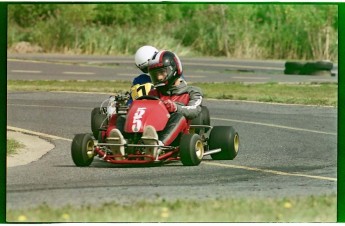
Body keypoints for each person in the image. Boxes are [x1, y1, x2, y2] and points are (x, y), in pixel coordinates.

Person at [141, 50, 203, 158]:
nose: (159, 77)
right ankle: (121, 144)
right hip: (151, 130)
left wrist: (175, 107)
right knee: (121, 115)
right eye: (155, 74)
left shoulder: (192, 92)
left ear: (173, 70)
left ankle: (157, 146)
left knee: (179, 116)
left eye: (162, 72)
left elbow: (194, 110)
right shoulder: (153, 93)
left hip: (180, 138)